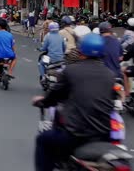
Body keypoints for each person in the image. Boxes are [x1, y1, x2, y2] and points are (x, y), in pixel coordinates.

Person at [32, 33, 114, 171]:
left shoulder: (71, 71)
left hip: (75, 134)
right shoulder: (109, 74)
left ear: (81, 51)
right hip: (103, 135)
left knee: (43, 140)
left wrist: (43, 102)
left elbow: (54, 96)